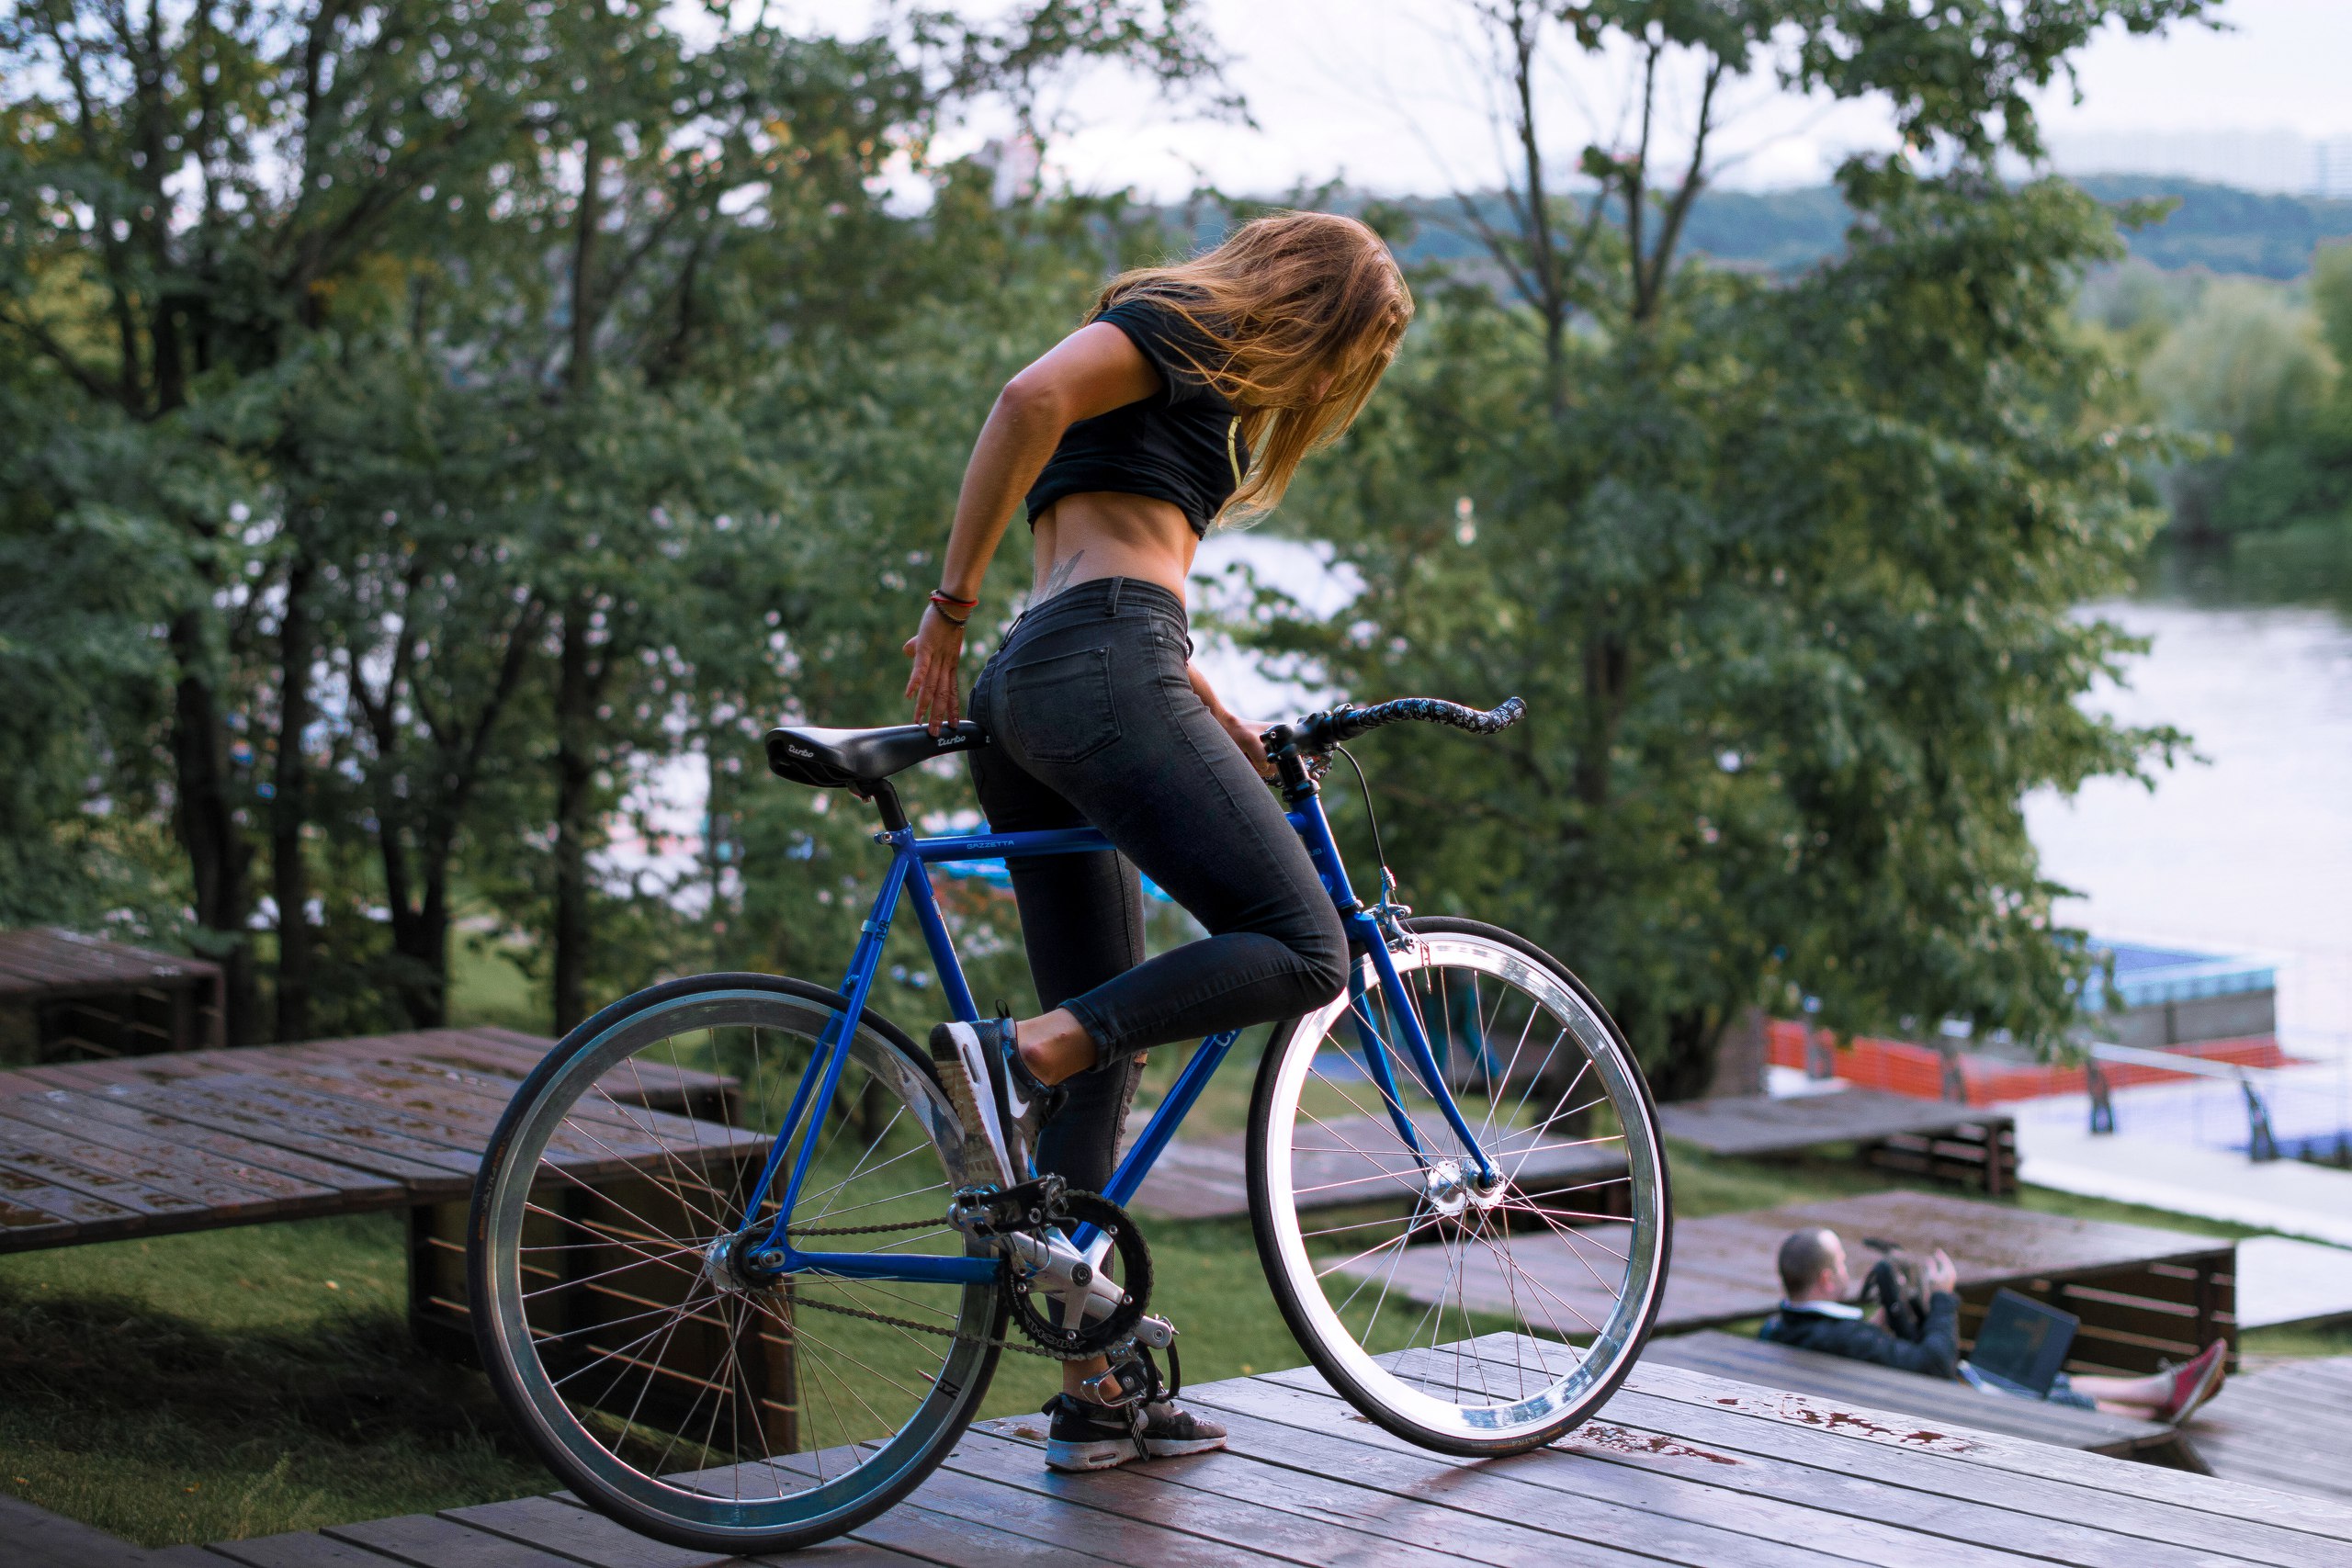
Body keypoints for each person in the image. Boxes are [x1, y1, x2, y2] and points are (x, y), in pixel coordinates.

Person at [900, 211, 1414, 1472]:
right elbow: (1026, 399)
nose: (1337, 382)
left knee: (1108, 1040)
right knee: (1303, 949)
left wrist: (1210, 710)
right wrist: (946, 605)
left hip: (1044, 685)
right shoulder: (1186, 325)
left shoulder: (1187, 364)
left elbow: (1111, 566)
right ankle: (1017, 1053)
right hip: (1089, 658)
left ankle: (1095, 1388)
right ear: (1322, 314)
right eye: (1354, 353)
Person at [1760, 1227, 2228, 1422]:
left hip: (1904, 1398)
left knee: (2036, 1375)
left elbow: (1857, 1347)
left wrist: (1882, 1322)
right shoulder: (1836, 1335)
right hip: (1940, 1407)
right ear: (1825, 1279)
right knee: (2047, 1393)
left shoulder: (1780, 1330)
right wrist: (1943, 1301)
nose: (1847, 1271)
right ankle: (2157, 1416)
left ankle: (2162, 1389)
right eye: (1841, 1265)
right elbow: (1935, 1363)